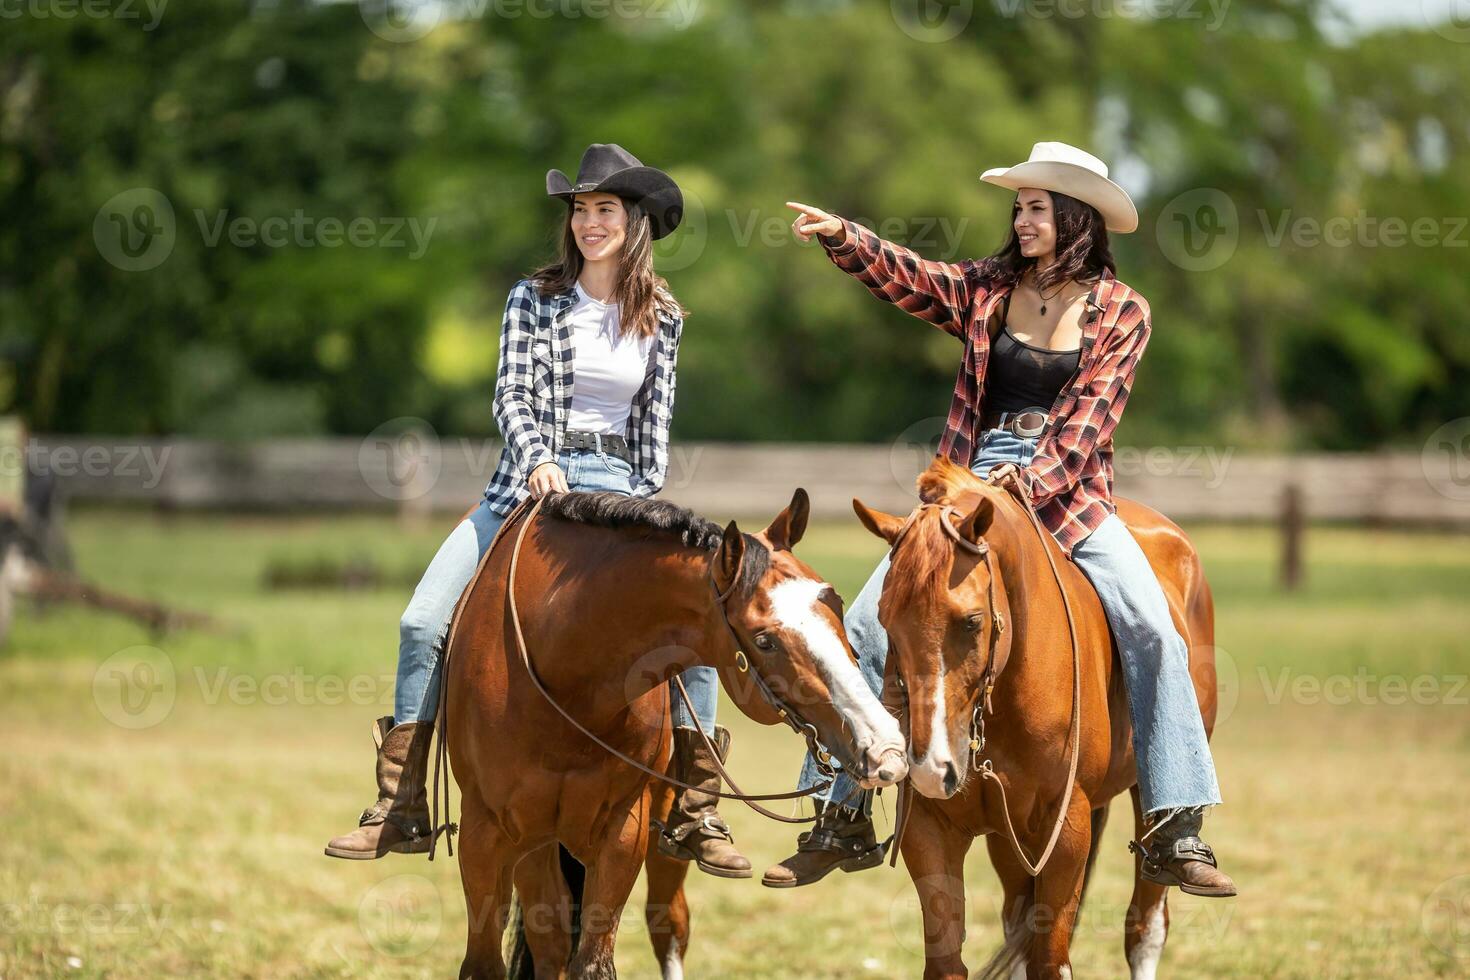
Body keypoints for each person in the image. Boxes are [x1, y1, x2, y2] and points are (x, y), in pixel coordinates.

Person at [764, 142, 1235, 898]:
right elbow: (916, 280)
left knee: (1152, 626)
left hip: (1069, 493)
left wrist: (1030, 481)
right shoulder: (989, 289)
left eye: (1037, 207)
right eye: (1019, 207)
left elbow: (1088, 423)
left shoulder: (1124, 312)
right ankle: (838, 812)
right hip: (966, 482)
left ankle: (1174, 823)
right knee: (862, 623)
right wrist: (846, 239)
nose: (1022, 220)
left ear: (1075, 216)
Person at [325, 143, 751, 879]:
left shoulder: (666, 316)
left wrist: (639, 498)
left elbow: (656, 423)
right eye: (581, 210)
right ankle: (400, 807)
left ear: (635, 221)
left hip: (621, 490)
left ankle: (694, 809)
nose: (590, 223)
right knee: (423, 620)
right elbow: (510, 395)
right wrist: (539, 460)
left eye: (605, 210)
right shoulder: (536, 298)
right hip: (529, 481)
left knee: (697, 620)